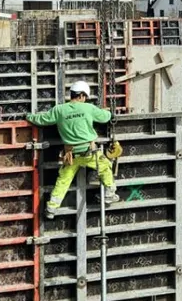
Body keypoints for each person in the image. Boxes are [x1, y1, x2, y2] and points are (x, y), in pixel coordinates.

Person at [29, 80, 119, 217]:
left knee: (63, 180)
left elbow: (42, 119)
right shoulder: (88, 108)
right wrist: (110, 114)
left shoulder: (59, 110)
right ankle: (109, 194)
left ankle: (51, 208)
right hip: (90, 153)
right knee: (106, 166)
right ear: (82, 95)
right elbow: (105, 117)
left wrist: (28, 116)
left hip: (71, 155)